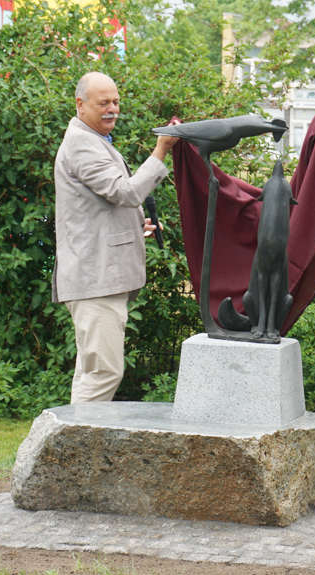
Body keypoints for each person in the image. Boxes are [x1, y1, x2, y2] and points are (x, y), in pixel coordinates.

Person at [52, 72, 179, 403]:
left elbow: (99, 208)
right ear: (80, 105)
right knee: (103, 373)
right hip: (96, 279)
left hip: (99, 277)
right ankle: (76, 451)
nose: (112, 109)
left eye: (116, 102)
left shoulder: (92, 140)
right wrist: (161, 150)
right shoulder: (82, 143)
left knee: (92, 372)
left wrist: (137, 227)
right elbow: (124, 192)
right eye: (103, 102)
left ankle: (74, 449)